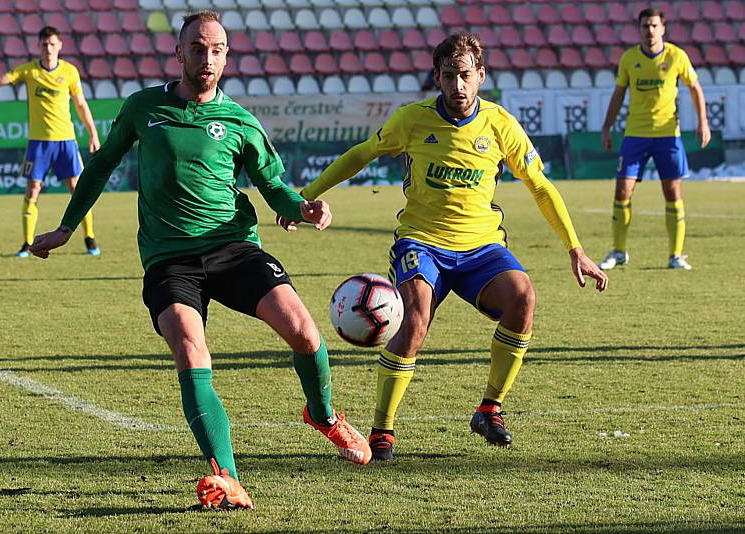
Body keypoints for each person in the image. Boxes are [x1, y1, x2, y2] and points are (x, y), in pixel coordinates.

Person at [29, 11, 371, 510]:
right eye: (197, 48)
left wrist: (300, 207)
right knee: (191, 349)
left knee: (304, 332)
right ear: (179, 54)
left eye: (216, 50)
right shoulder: (144, 108)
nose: (206, 58)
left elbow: (271, 183)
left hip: (234, 247)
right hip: (170, 260)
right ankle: (228, 478)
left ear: (226, 56)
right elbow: (102, 164)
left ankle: (323, 416)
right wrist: (65, 227)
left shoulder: (240, 121)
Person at [280, 32, 608, 460]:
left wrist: (574, 248)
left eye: (466, 76)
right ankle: (382, 431)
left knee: (523, 298)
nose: (458, 86)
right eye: (449, 76)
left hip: (482, 246)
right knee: (413, 322)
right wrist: (306, 196)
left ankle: (490, 409)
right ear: (437, 77)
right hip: (422, 242)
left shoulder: (501, 124)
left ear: (481, 76)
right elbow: (360, 155)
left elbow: (541, 187)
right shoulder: (411, 120)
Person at [599, 7, 711, 271]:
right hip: (635, 134)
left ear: (662, 28)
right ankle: (619, 251)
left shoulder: (676, 56)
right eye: (644, 26)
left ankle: (676, 255)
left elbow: (695, 87)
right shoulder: (629, 59)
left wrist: (703, 122)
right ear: (639, 29)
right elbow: (618, 94)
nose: (649, 30)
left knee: (672, 192)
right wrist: (607, 127)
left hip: (667, 134)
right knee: (622, 191)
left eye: (653, 26)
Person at [0, 26, 102, 258]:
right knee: (33, 189)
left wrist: (93, 134)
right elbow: (7, 78)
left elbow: (81, 105)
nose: (49, 49)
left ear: (60, 45)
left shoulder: (70, 72)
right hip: (39, 144)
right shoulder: (30, 71)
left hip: (66, 140)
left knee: (77, 189)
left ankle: (89, 238)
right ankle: (26, 244)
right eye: (44, 45)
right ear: (38, 46)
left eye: (53, 44)